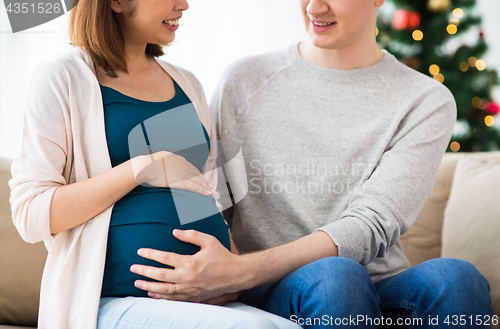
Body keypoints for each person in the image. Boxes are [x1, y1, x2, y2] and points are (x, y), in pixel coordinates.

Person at [125, 0, 495, 327]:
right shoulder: (244, 80)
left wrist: (239, 271)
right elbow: (210, 196)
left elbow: (371, 224)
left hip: (380, 285)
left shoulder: (426, 100)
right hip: (276, 288)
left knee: (458, 278)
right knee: (336, 277)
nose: (314, 8)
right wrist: (221, 268)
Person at [8, 0, 301, 328]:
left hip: (205, 295)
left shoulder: (188, 84)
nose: (184, 4)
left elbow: (209, 197)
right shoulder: (63, 78)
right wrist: (141, 168)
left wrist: (229, 273)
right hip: (109, 302)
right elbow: (30, 214)